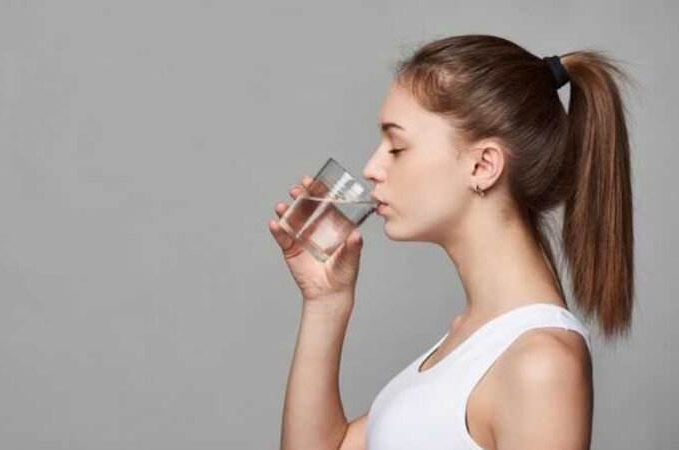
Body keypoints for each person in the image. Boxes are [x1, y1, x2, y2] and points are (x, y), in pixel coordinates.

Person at [268, 34, 636, 450]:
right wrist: (325, 303)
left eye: (397, 147)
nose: (371, 167)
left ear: (482, 166)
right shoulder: (471, 344)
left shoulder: (539, 363)